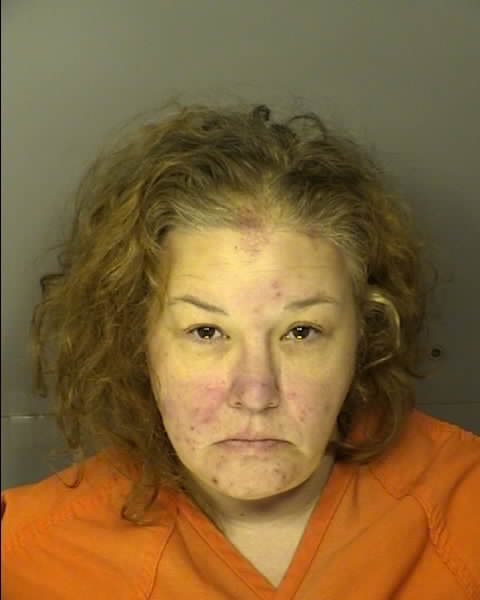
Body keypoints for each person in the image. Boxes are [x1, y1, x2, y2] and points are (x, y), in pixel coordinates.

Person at [2, 99, 479, 599]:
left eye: (301, 331)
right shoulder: (28, 558)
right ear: (137, 340)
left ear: (365, 336)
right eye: (207, 332)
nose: (255, 394)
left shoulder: (467, 512)